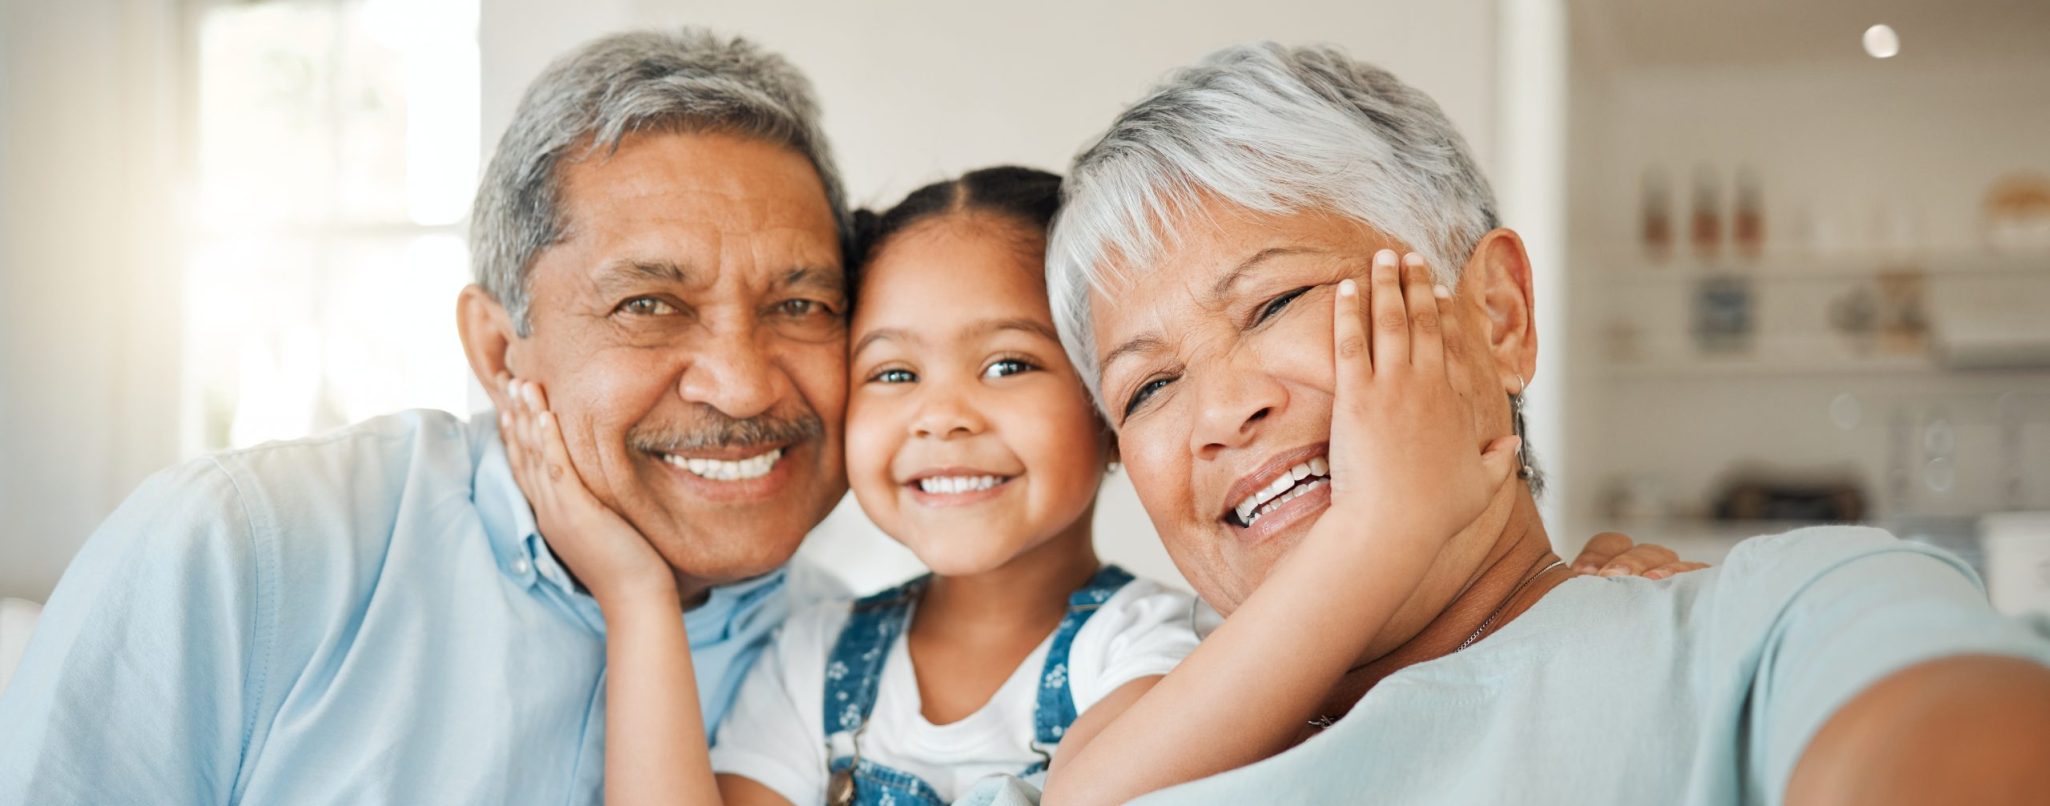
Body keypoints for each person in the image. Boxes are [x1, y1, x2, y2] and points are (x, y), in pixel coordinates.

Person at [1040, 41, 2050, 805]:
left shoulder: (1769, 624)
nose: (1220, 410)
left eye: (1273, 303)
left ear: (1498, 316)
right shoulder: (1134, 719)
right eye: (1147, 388)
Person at [0, 29, 853, 803]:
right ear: (495, 349)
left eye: (803, 304)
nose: (743, 387)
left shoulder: (861, 663)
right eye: (648, 304)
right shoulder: (238, 552)